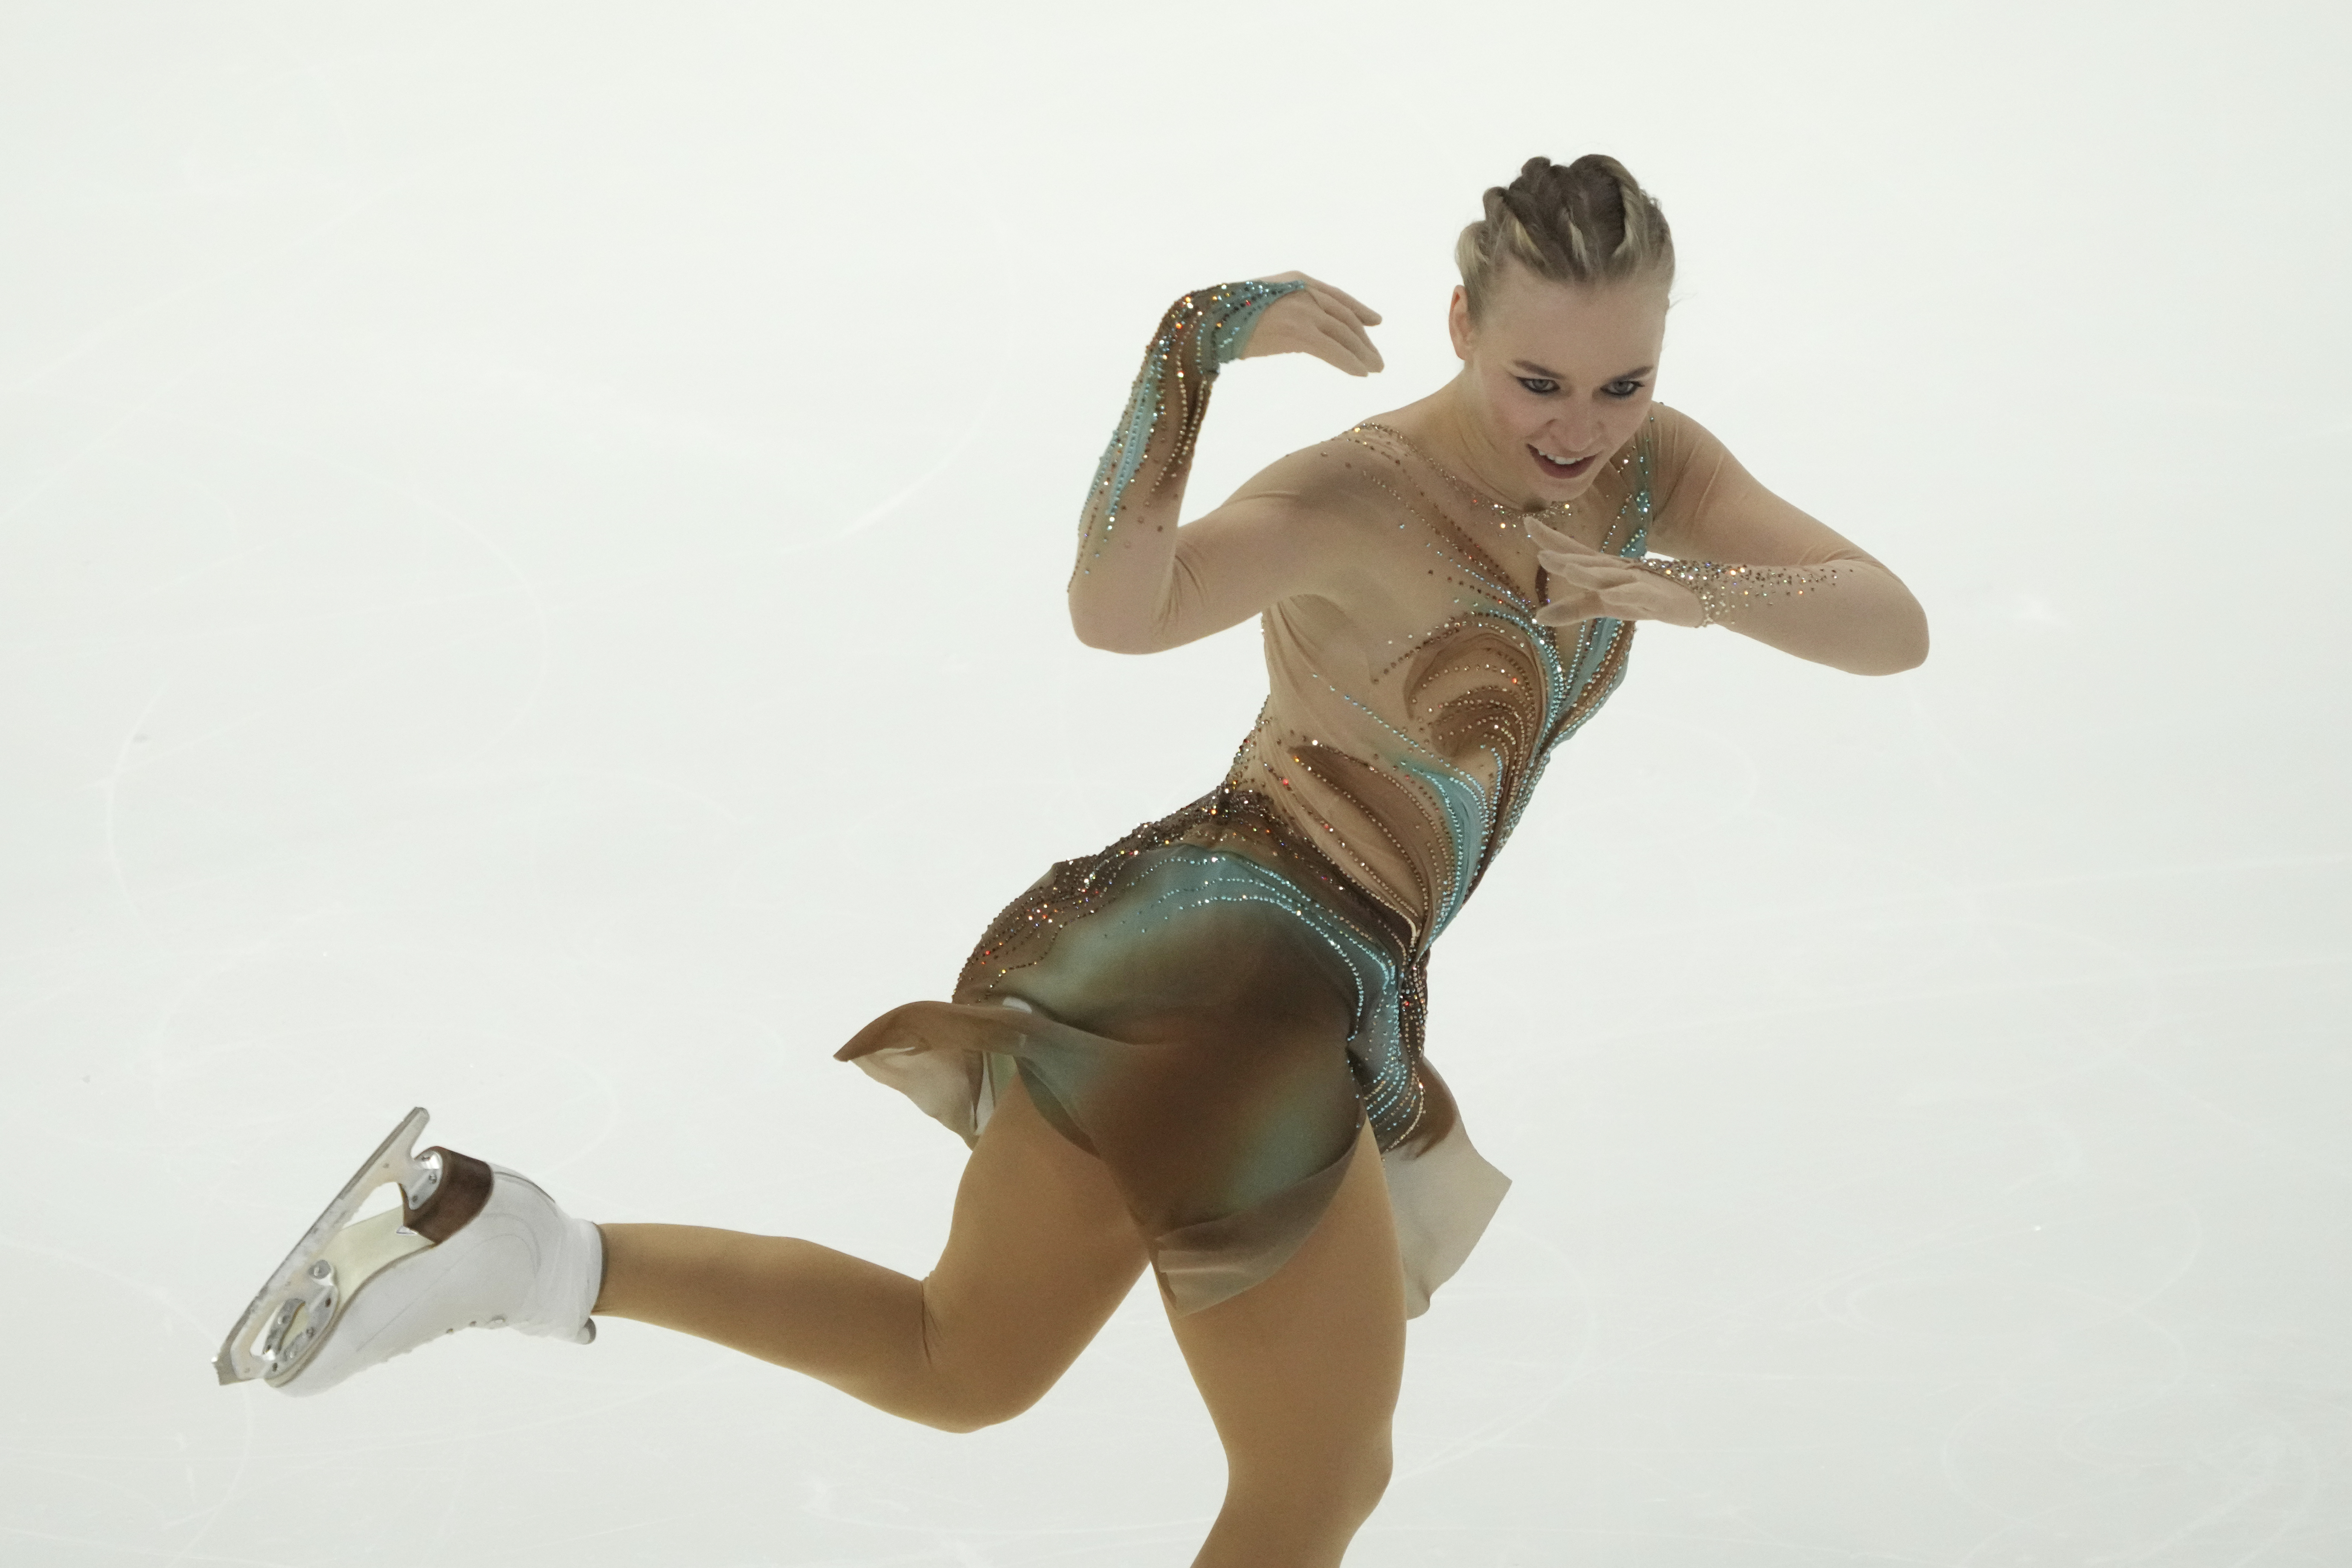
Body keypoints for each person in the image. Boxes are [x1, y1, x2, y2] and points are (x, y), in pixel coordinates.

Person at [213, 154, 1929, 1567]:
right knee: (1314, 1484)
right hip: (1245, 980)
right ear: (1464, 323)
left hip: (1204, 957)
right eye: (1538, 379)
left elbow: (1888, 623)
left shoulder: (1656, 483)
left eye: (1625, 382)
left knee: (963, 1360)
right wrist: (1185, 356)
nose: (1578, 426)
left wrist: (1699, 590)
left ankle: (515, 1244)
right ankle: (512, 1251)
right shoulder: (1364, 488)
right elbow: (1124, 611)